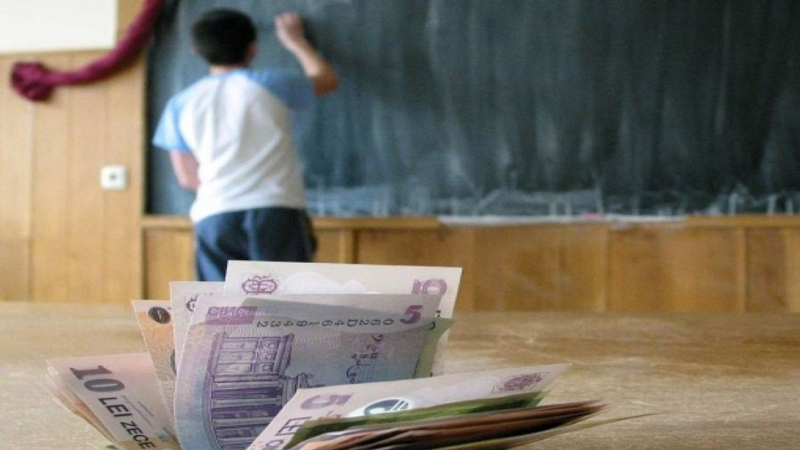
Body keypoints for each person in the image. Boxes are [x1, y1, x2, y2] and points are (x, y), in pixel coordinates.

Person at [152, 9, 338, 281]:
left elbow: (187, 178)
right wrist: (296, 42)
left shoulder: (179, 104)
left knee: (220, 303)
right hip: (275, 210)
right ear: (253, 48)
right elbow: (326, 80)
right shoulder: (274, 84)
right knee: (286, 301)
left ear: (196, 50)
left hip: (215, 214)